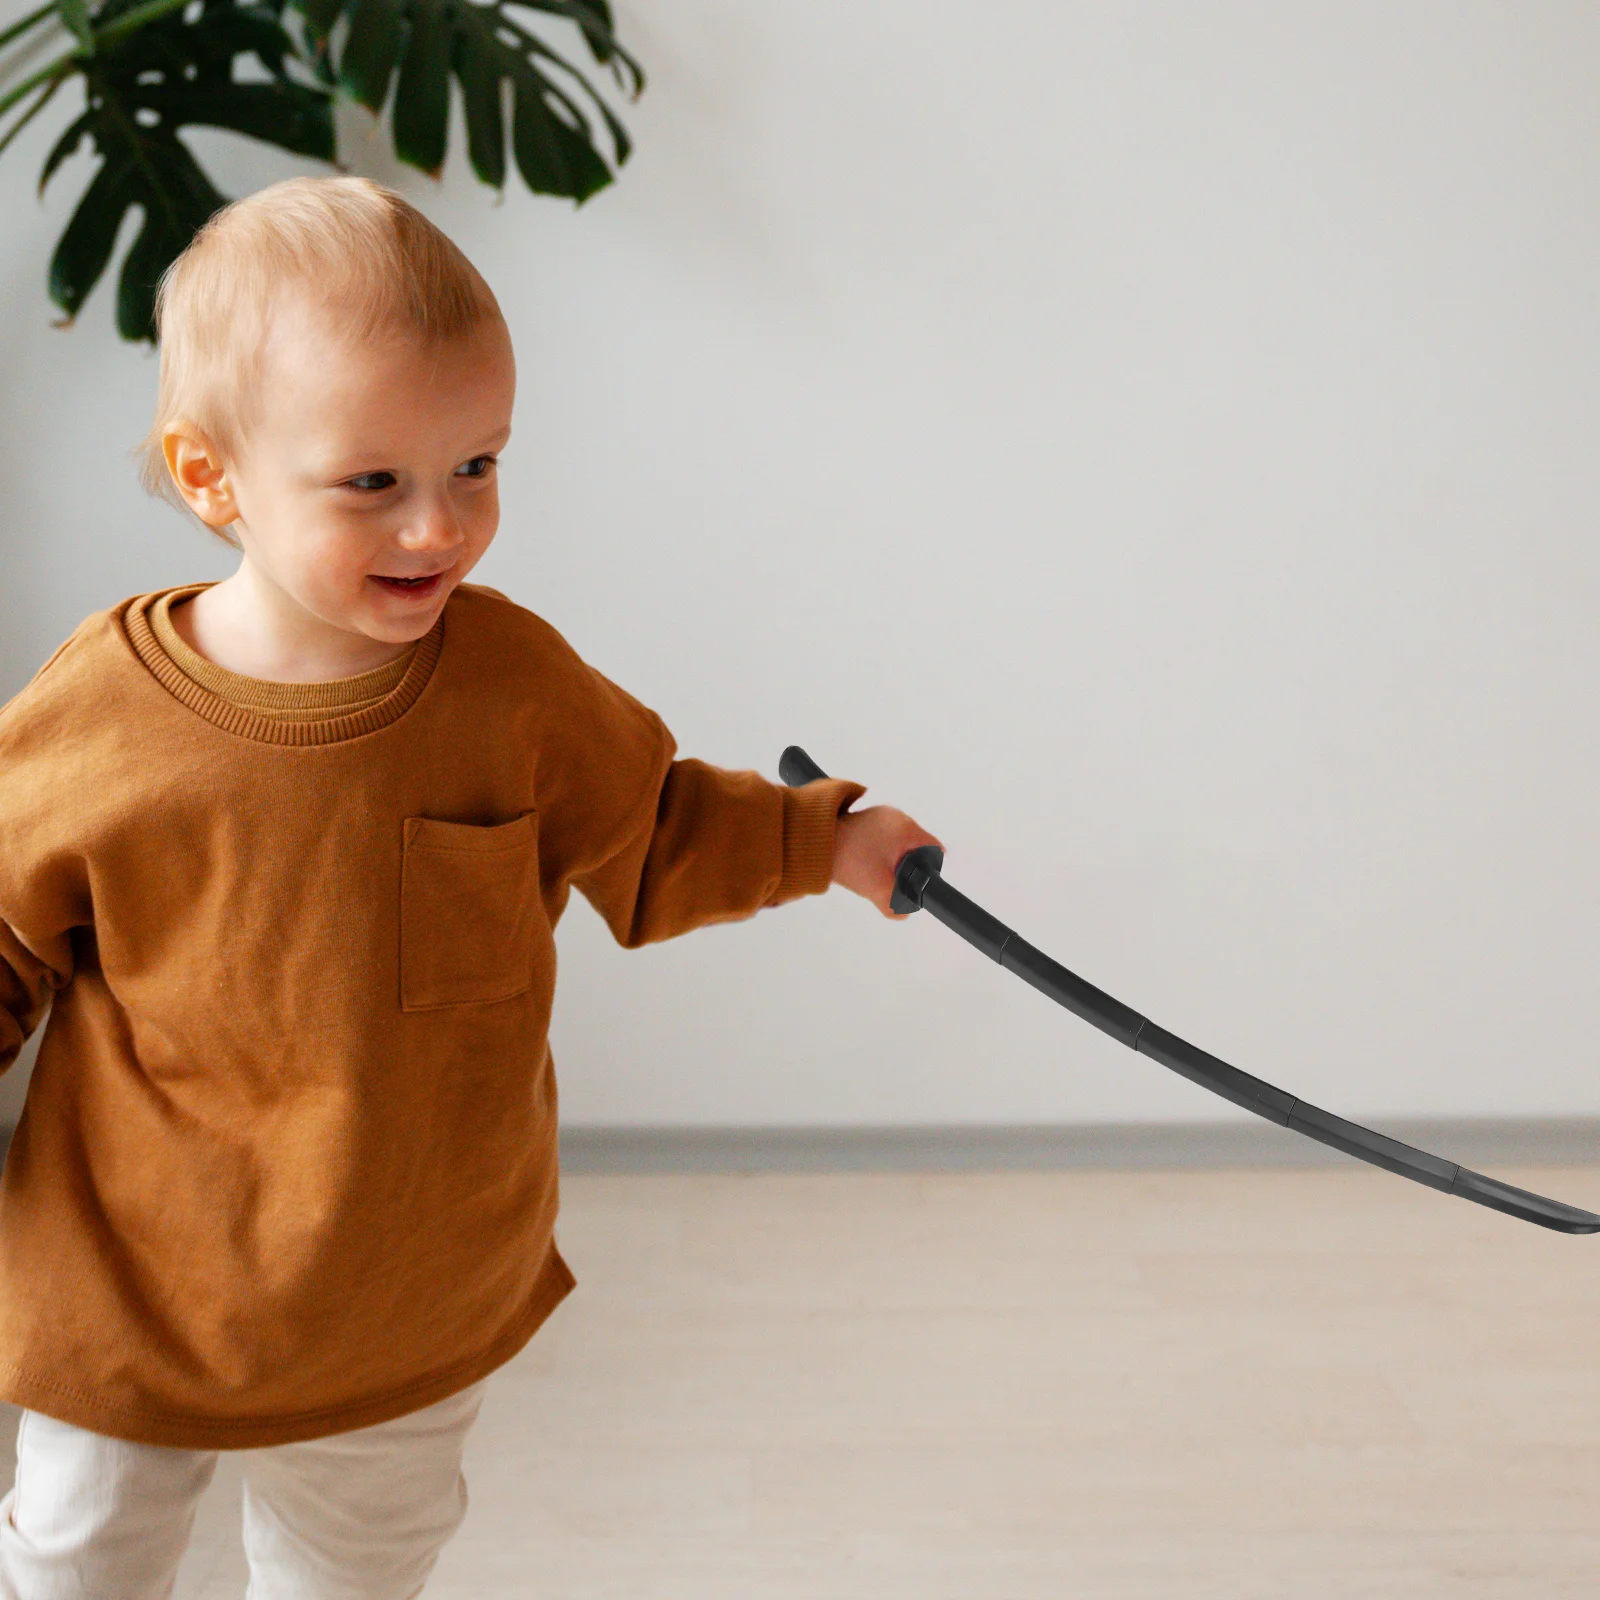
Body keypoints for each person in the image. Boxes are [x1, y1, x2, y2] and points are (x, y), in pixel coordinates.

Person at [0, 175, 942, 1599]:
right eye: (374, 482)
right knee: (76, 1563)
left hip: (403, 1281)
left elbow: (656, 826)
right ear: (214, 479)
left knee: (353, 1570)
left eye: (478, 466)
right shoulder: (102, 714)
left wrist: (824, 842)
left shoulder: (509, 687)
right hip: (133, 1278)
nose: (437, 527)